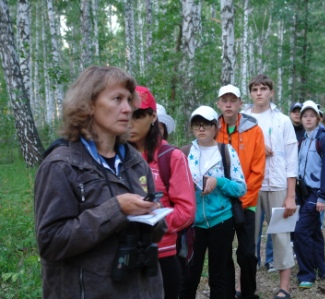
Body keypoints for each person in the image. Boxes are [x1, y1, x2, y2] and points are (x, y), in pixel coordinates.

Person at [34, 66, 166, 299]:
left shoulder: (136, 162)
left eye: (129, 100)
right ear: (89, 105)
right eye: (117, 99)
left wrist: (153, 217)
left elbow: (155, 235)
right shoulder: (62, 165)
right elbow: (51, 242)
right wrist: (116, 209)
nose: (128, 109)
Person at [129, 86, 196, 299]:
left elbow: (186, 210)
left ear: (153, 116)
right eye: (127, 114)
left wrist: (154, 225)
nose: (131, 122)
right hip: (123, 255)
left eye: (138, 115)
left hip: (162, 255)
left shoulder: (171, 157)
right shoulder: (114, 156)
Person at [180, 105, 247, 299]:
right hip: (193, 223)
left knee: (219, 276)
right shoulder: (184, 153)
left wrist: (219, 181)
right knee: (189, 276)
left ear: (215, 127)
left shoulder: (226, 152)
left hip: (222, 220)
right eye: (197, 125)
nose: (201, 129)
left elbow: (241, 188)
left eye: (206, 125)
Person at [243, 74, 298, 299]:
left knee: (281, 236)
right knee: (247, 238)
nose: (259, 93)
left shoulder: (282, 120)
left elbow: (291, 159)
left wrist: (291, 195)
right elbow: (235, 150)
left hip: (277, 184)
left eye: (263, 89)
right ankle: (243, 286)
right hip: (250, 186)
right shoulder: (243, 119)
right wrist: (256, 147)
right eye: (255, 89)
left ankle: (284, 287)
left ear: (271, 93)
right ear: (250, 93)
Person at [216, 84, 265, 299]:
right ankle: (226, 293)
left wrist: (242, 198)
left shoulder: (254, 130)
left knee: (247, 253)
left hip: (248, 202)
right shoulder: (211, 129)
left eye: (232, 100)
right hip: (220, 204)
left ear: (240, 103)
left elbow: (258, 170)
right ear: (218, 104)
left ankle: (248, 293)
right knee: (222, 252)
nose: (228, 104)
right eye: (224, 100)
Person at [294, 100, 325, 289]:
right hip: (303, 191)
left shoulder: (324, 140)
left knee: (300, 230)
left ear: (318, 118)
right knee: (314, 232)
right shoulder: (303, 139)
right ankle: (321, 269)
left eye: (312, 115)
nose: (308, 118)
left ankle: (307, 274)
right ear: (301, 119)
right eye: (305, 115)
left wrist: (322, 197)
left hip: (316, 192)